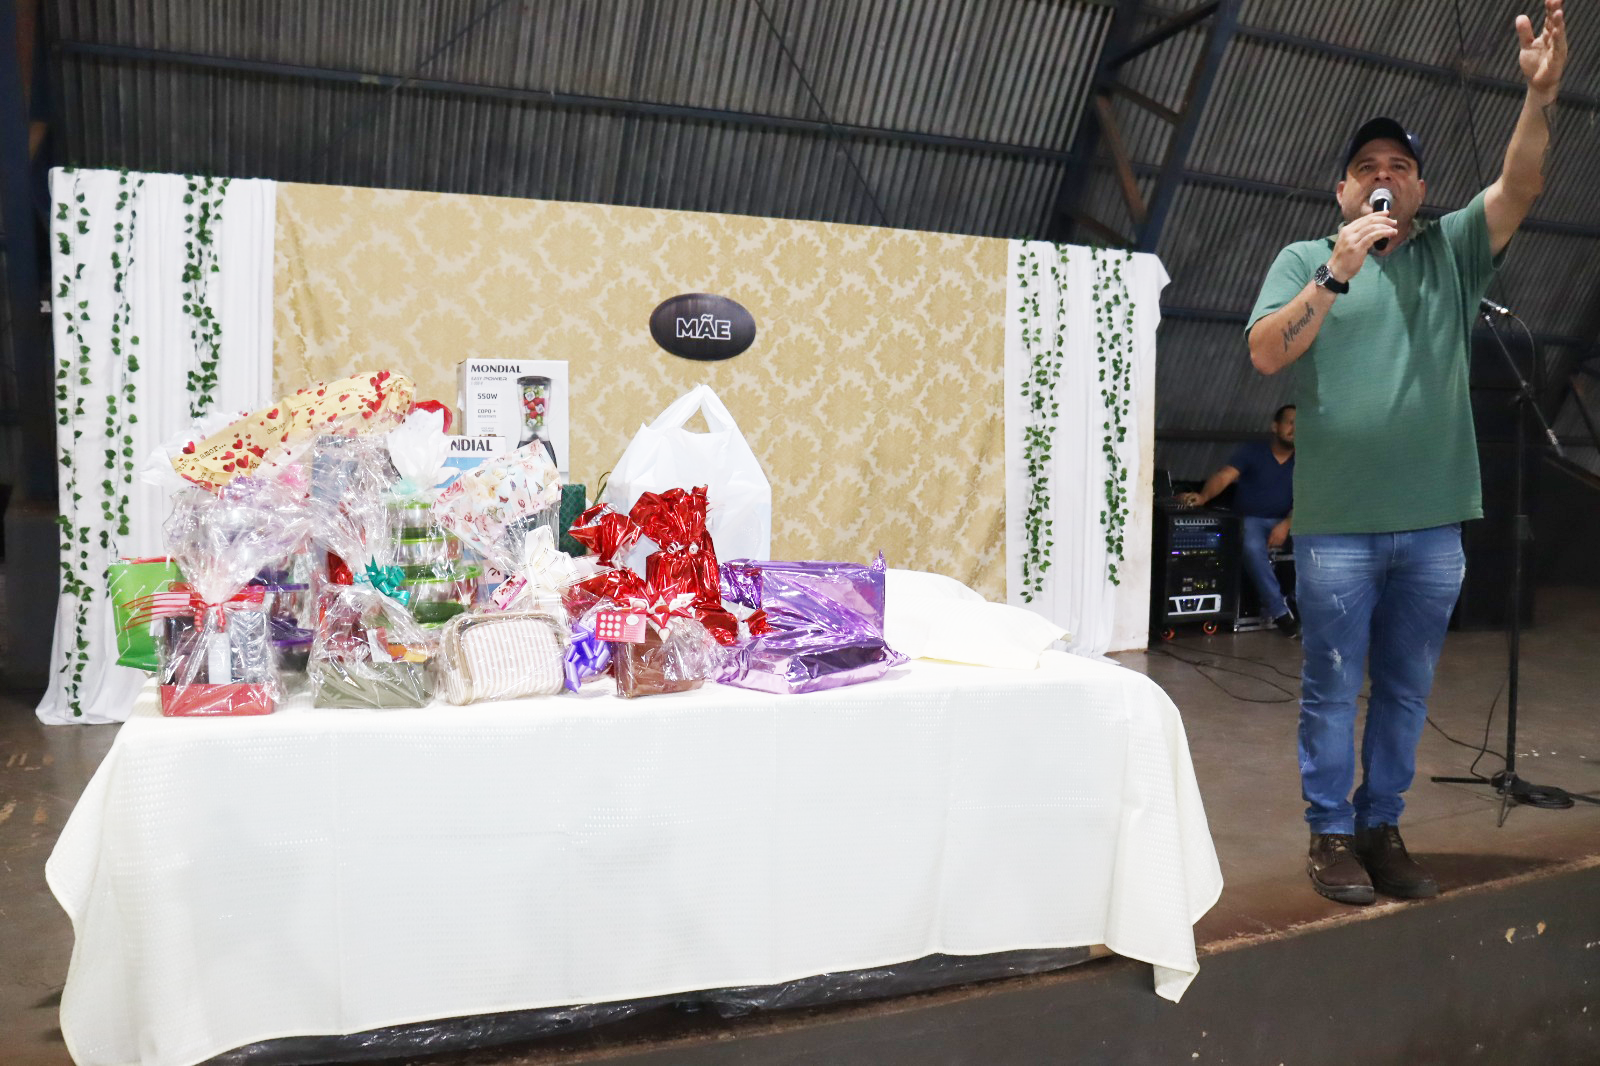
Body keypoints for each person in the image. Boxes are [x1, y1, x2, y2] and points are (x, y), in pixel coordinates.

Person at [1243, 2, 1567, 906]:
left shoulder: (1451, 253)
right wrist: (1337, 273)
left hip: (1431, 527)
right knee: (1329, 687)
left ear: (1419, 189)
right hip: (1339, 528)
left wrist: (1538, 97)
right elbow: (1266, 353)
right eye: (1367, 170)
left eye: (1399, 168)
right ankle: (1329, 834)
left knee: (1406, 691)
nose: (1383, 178)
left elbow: (1520, 186)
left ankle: (1382, 826)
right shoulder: (1306, 258)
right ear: (1343, 193)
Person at [1180, 406, 1298, 637]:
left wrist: (1286, 524)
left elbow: (1309, 498)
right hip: (1252, 520)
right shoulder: (1253, 451)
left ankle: (1297, 601)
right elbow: (1225, 476)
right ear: (1275, 426)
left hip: (1288, 521)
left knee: (1322, 544)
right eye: (1290, 422)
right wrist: (1203, 496)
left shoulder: (1306, 459)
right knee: (1251, 545)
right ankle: (1280, 611)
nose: (1295, 429)